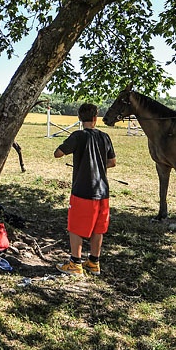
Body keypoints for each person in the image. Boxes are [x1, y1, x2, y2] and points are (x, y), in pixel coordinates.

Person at [53, 103, 116, 276]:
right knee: (98, 228)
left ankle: (75, 263)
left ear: (79, 118)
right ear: (96, 118)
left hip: (83, 190)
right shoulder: (105, 137)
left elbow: (58, 153)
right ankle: (94, 263)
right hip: (102, 190)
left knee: (75, 227)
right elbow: (112, 162)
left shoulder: (78, 136)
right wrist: (98, 165)